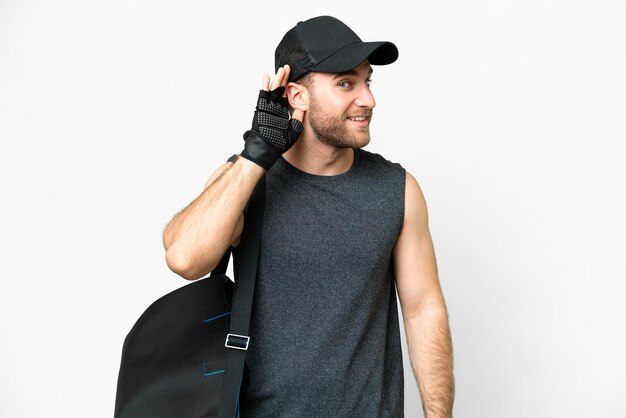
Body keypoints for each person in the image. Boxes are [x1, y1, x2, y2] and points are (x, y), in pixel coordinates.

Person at [162, 15, 454, 418]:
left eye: (368, 82)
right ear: (297, 96)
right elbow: (184, 258)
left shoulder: (398, 190)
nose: (368, 99)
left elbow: (423, 309)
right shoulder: (245, 180)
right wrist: (257, 154)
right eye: (346, 83)